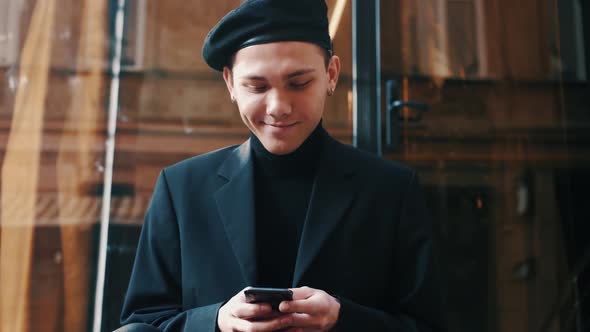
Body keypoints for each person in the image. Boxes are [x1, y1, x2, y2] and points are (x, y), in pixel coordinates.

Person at [120, 0, 445, 331]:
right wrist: (215, 320)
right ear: (231, 84)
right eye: (257, 87)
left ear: (331, 75)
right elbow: (140, 323)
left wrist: (343, 319)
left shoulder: (391, 190)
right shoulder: (181, 189)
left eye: (299, 83)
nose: (279, 107)